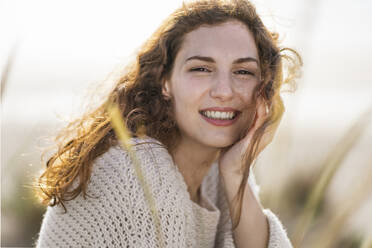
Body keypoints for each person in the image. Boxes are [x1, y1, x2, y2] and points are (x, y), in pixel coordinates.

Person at [35, 0, 301, 247]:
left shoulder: (218, 170)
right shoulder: (136, 170)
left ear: (264, 89)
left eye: (243, 72)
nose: (224, 91)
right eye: (201, 69)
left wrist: (236, 174)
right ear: (165, 82)